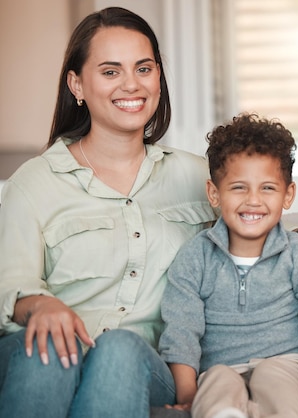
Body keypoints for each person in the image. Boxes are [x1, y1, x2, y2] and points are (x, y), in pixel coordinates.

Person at [0, 7, 219, 417]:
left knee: (119, 346)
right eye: (111, 71)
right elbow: (11, 282)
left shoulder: (199, 177)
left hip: (145, 364)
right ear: (76, 84)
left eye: (144, 68)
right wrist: (41, 305)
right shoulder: (33, 182)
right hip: (42, 351)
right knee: (48, 341)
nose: (132, 85)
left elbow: (257, 216)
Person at [158, 113, 298, 418]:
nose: (253, 200)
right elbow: (181, 331)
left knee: (273, 376)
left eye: (267, 188)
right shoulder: (195, 257)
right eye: (238, 188)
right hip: (220, 368)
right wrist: (188, 395)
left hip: (289, 364)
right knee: (218, 381)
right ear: (214, 193)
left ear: (288, 195)